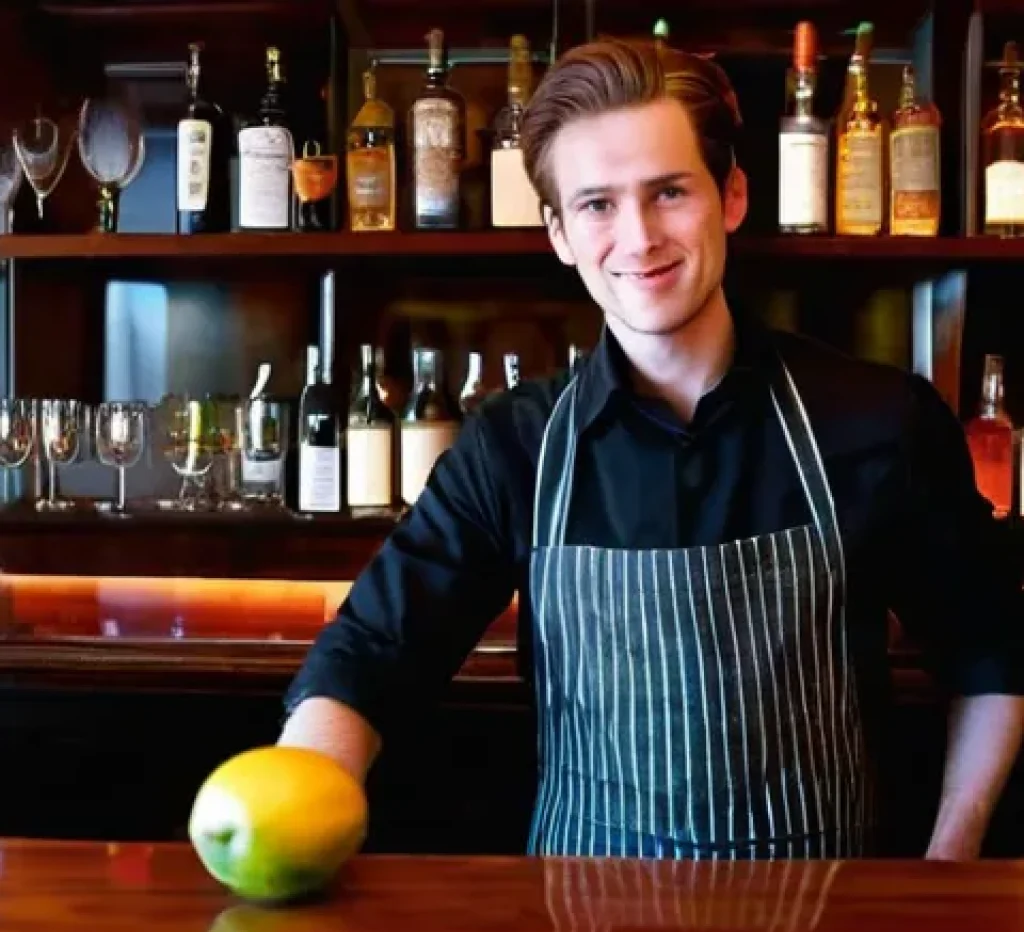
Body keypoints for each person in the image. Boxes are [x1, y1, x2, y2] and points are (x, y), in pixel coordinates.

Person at [279, 37, 1024, 860]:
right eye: (597, 204)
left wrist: (947, 865)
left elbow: (991, 649)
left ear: (731, 196)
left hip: (827, 928)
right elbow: (373, 655)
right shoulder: (513, 446)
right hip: (582, 931)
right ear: (558, 233)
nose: (637, 238)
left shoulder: (878, 420)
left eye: (669, 192)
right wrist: (292, 810)